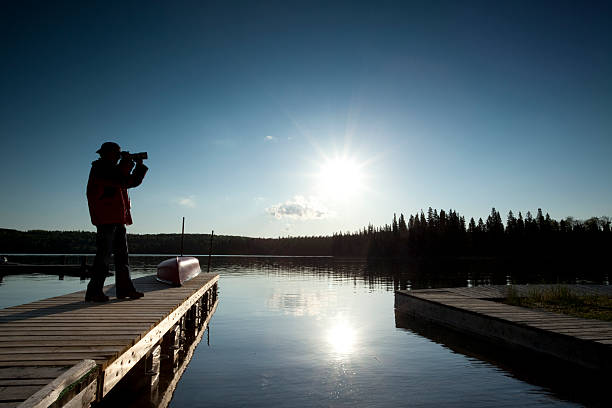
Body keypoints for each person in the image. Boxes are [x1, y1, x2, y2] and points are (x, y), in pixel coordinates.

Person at [85, 142, 148, 302]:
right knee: (103, 256)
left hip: (117, 218)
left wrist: (139, 167)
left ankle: (124, 290)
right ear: (106, 154)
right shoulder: (100, 169)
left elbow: (129, 182)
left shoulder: (113, 170)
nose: (119, 156)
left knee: (122, 257)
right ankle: (94, 292)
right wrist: (127, 163)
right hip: (106, 219)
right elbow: (120, 179)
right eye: (117, 154)